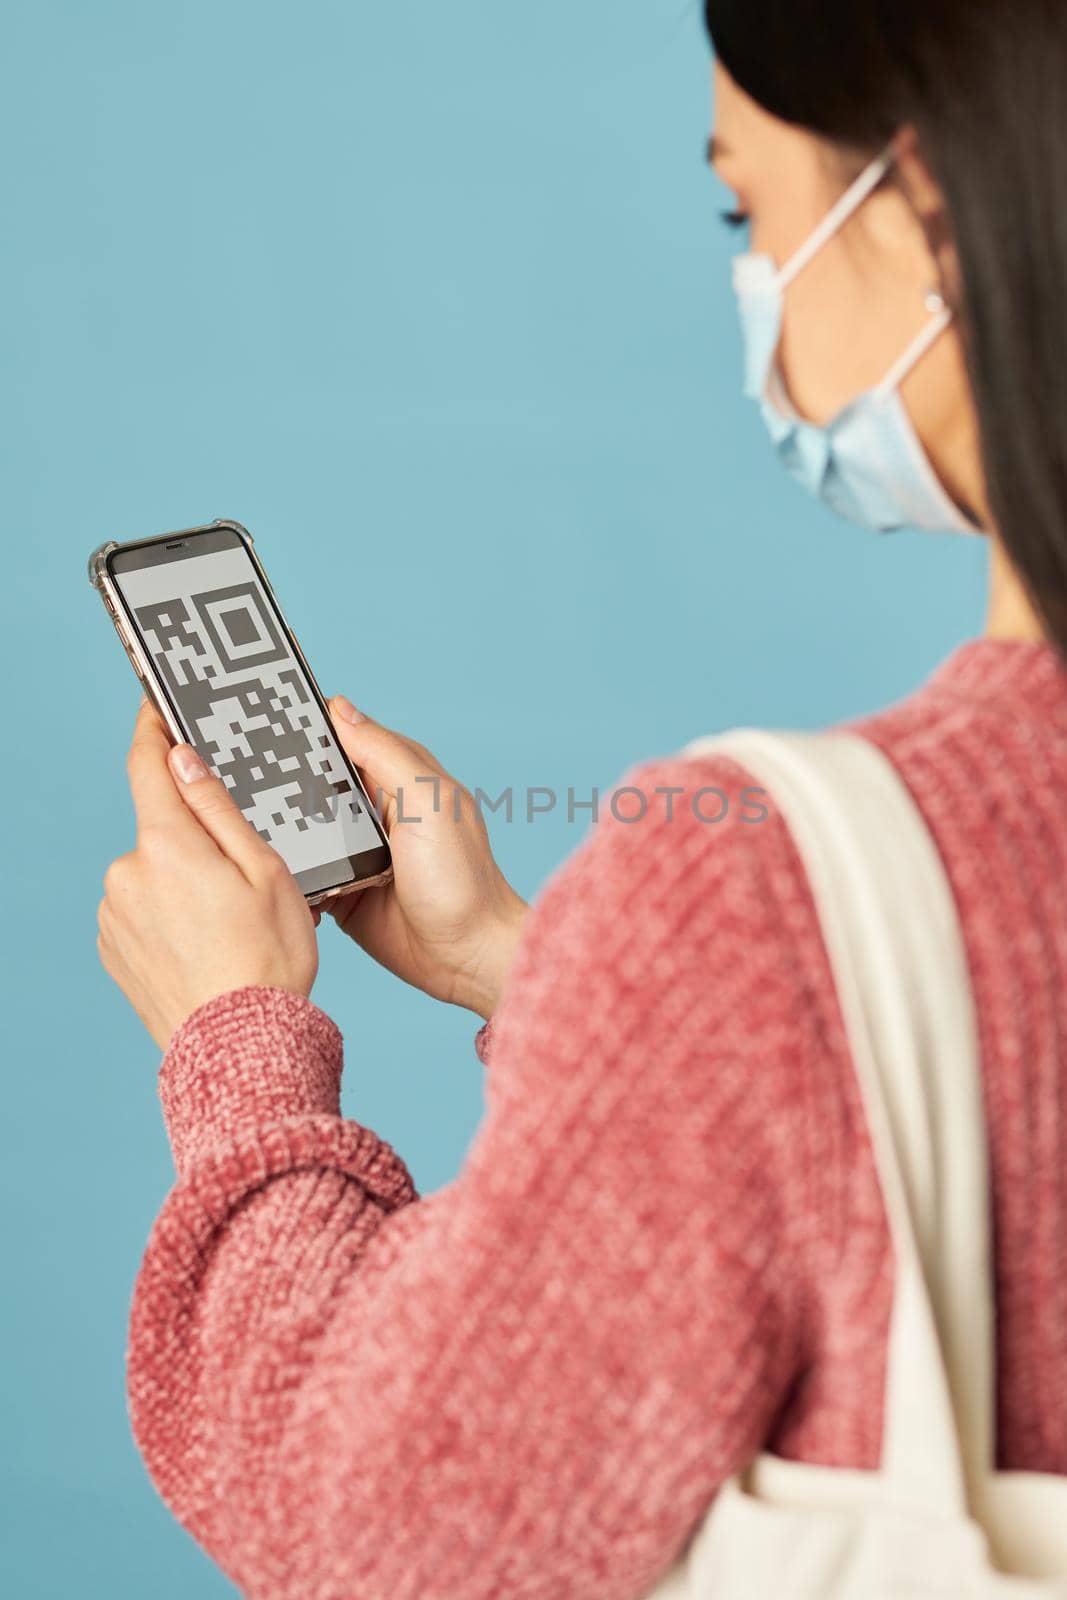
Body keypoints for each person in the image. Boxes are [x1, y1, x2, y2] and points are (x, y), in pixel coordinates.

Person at [97, 3, 1067, 1597]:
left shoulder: (757, 894)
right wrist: (526, 968)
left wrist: (238, 1052)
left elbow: (386, 1536)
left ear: (934, 219)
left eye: (746, 208)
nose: (755, 289)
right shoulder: (768, 938)